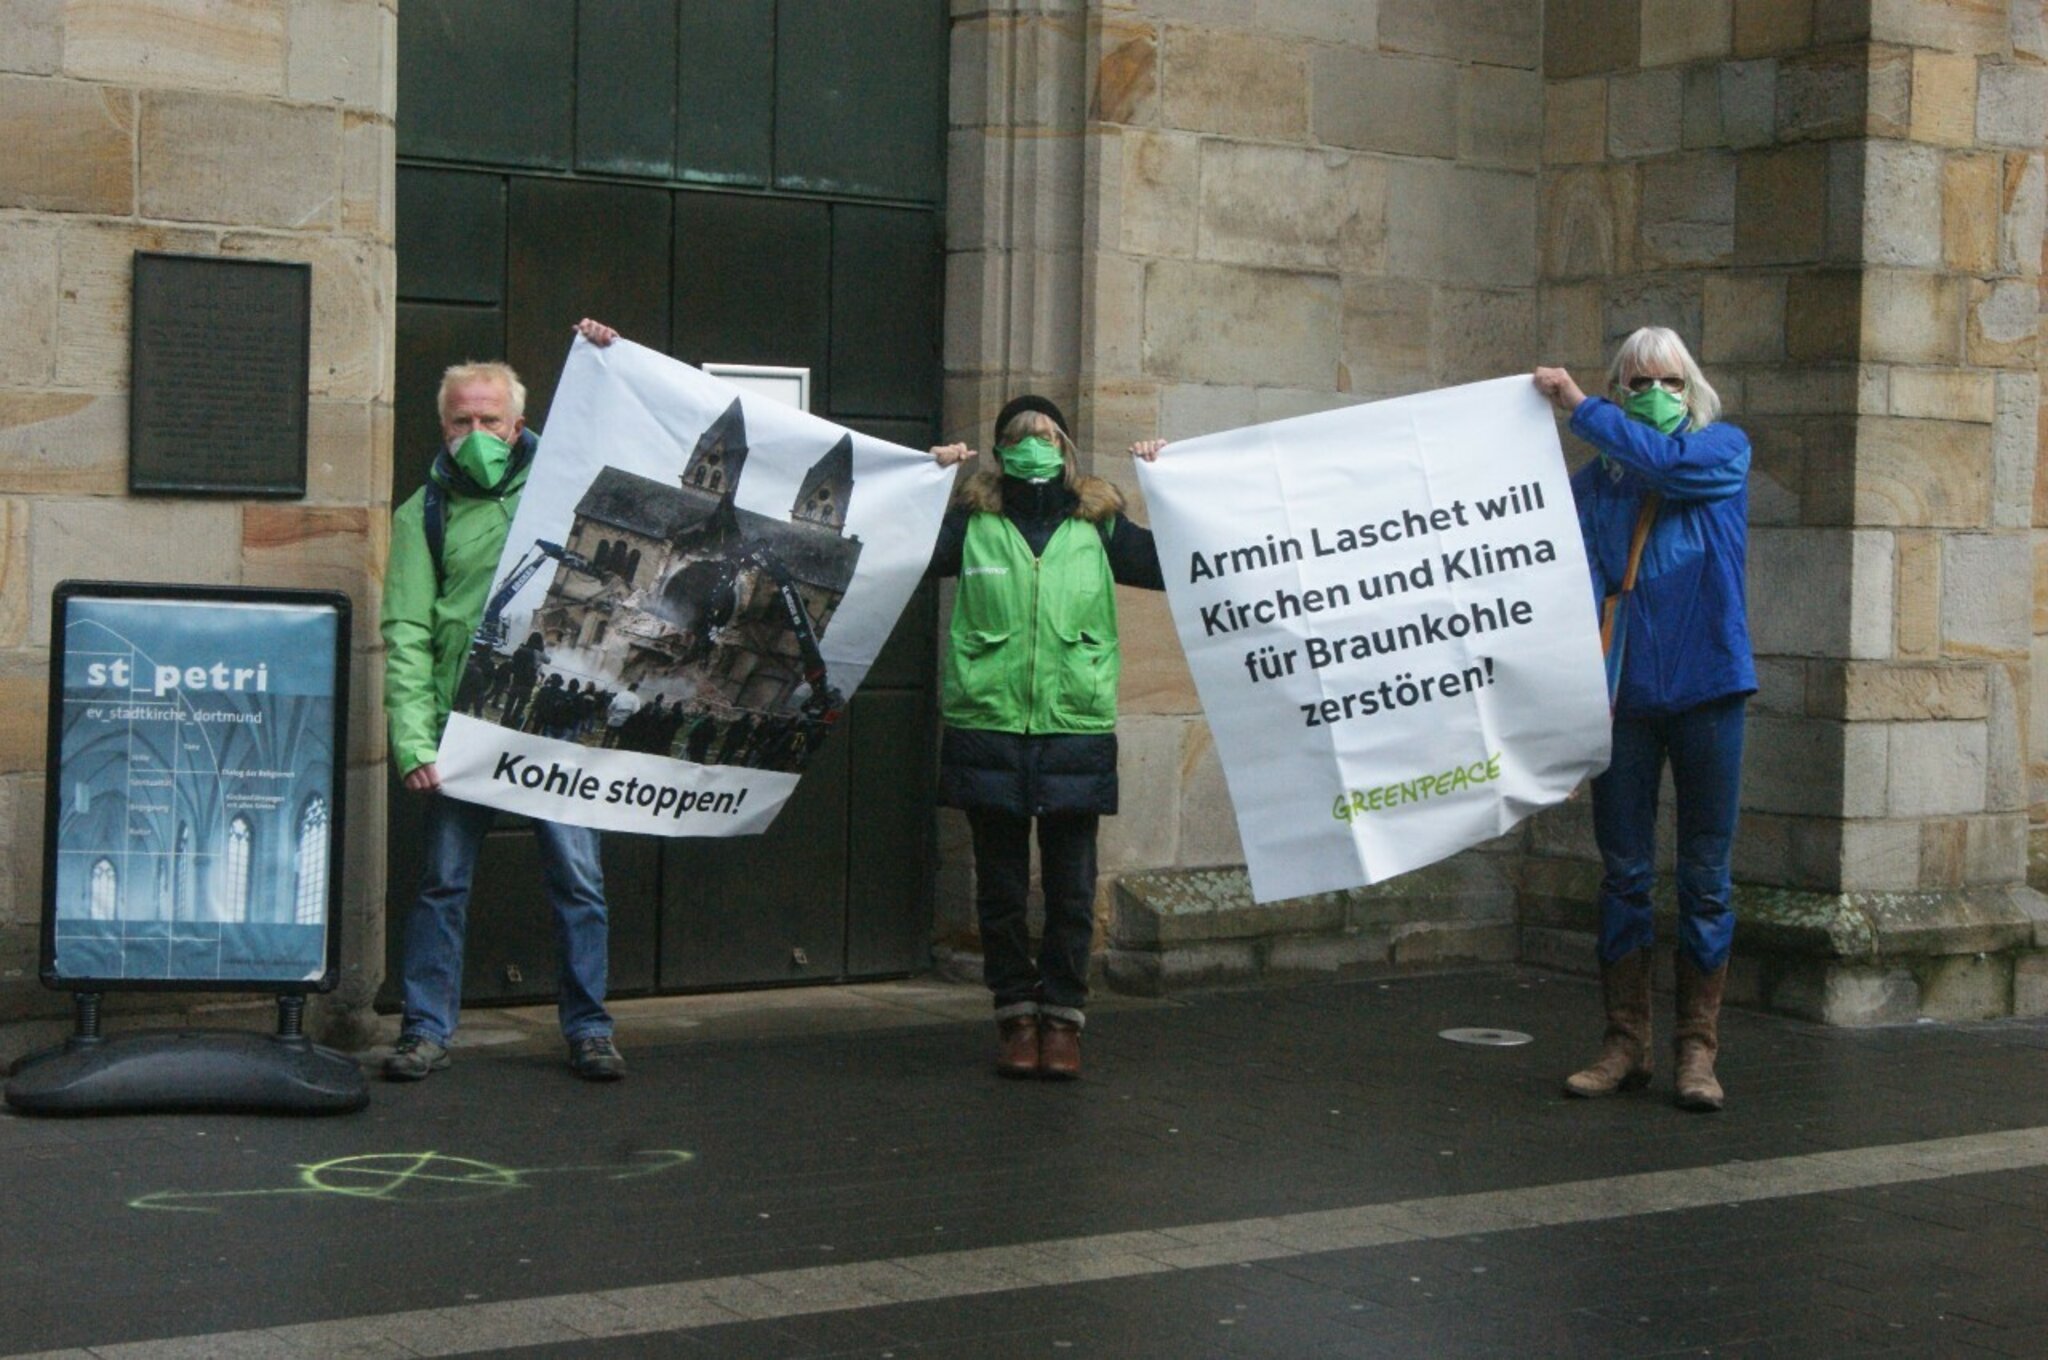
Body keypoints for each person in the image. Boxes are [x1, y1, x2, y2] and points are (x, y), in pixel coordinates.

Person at [381, 317, 629, 1083]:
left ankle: (590, 1028)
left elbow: (638, 446)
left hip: (554, 720)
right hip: (463, 727)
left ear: (518, 425)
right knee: (442, 884)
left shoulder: (570, 484)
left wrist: (608, 361)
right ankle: (425, 1030)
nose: (476, 434)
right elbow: (406, 632)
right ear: (444, 427)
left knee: (578, 881)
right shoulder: (422, 514)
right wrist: (413, 741)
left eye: (490, 420)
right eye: (462, 422)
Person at [1535, 327, 1755, 1113]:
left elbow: (1668, 466)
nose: (1654, 393)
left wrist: (1580, 408)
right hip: (1624, 702)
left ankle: (1698, 1050)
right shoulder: (1595, 487)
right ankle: (1625, 1042)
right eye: (1636, 382)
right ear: (1619, 391)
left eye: (1668, 380)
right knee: (1624, 874)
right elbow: (1556, 588)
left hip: (1709, 691)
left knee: (1705, 879)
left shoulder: (1721, 451)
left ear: (1691, 387)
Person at [927, 396, 1163, 1080]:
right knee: (1000, 892)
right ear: (1000, 452)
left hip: (1073, 727)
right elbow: (895, 551)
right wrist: (927, 481)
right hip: (989, 725)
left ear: (1066, 449)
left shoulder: (1100, 525)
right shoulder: (972, 523)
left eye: (1047, 436)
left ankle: (1062, 1019)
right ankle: (1015, 1017)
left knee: (1070, 889)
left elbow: (1177, 563)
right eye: (1019, 436)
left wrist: (1165, 483)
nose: (1034, 445)